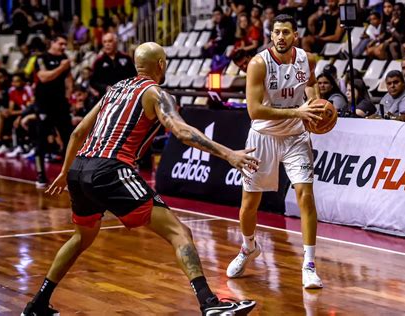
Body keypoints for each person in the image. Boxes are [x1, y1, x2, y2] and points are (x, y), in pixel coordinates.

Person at [21, 42, 258, 316]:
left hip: (79, 169)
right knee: (180, 232)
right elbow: (181, 132)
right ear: (161, 65)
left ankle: (37, 304)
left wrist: (65, 172)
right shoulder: (156, 93)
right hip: (111, 169)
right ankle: (210, 304)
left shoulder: (114, 90)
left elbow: (78, 133)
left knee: (80, 238)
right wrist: (229, 154)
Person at [226, 14, 326, 289]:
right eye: (277, 32)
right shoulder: (259, 63)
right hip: (263, 136)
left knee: (305, 195)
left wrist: (315, 104)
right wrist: (298, 110)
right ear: (271, 36)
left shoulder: (307, 59)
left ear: (295, 34)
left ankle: (309, 265)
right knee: (249, 204)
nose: (281, 37)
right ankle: (248, 248)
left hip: (296, 136)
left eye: (286, 32)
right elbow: (253, 110)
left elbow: (310, 84)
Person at [33, 34, 74, 188]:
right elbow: (44, 77)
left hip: (60, 105)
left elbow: (68, 79)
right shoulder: (42, 58)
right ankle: (41, 174)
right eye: (61, 44)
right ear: (52, 43)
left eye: (65, 44)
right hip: (44, 104)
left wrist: (69, 96)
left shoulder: (65, 58)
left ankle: (69, 173)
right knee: (41, 140)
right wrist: (61, 67)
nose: (63, 47)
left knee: (69, 138)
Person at [90, 32, 137, 97]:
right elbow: (93, 82)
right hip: (106, 97)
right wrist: (105, 87)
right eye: (105, 42)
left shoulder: (126, 58)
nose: (107, 44)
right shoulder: (99, 61)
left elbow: (134, 76)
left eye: (110, 41)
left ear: (116, 42)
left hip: (125, 95)